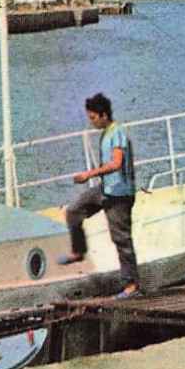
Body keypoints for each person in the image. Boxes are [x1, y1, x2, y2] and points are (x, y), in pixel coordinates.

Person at [57, 93, 140, 298]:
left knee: (121, 238)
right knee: (74, 211)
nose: (92, 122)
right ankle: (78, 251)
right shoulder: (105, 133)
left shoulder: (117, 133)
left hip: (119, 195)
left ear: (104, 115)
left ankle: (132, 285)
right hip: (106, 190)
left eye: (93, 118)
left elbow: (117, 163)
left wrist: (89, 174)